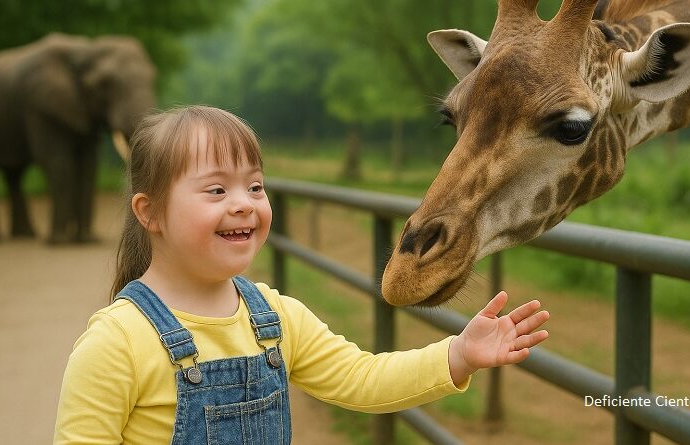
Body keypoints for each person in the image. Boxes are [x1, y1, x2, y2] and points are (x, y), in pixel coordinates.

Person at [53, 105, 550, 444]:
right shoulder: (117, 343)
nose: (244, 205)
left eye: (254, 186)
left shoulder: (274, 317)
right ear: (150, 212)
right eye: (216, 191)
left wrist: (458, 354)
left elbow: (362, 379)